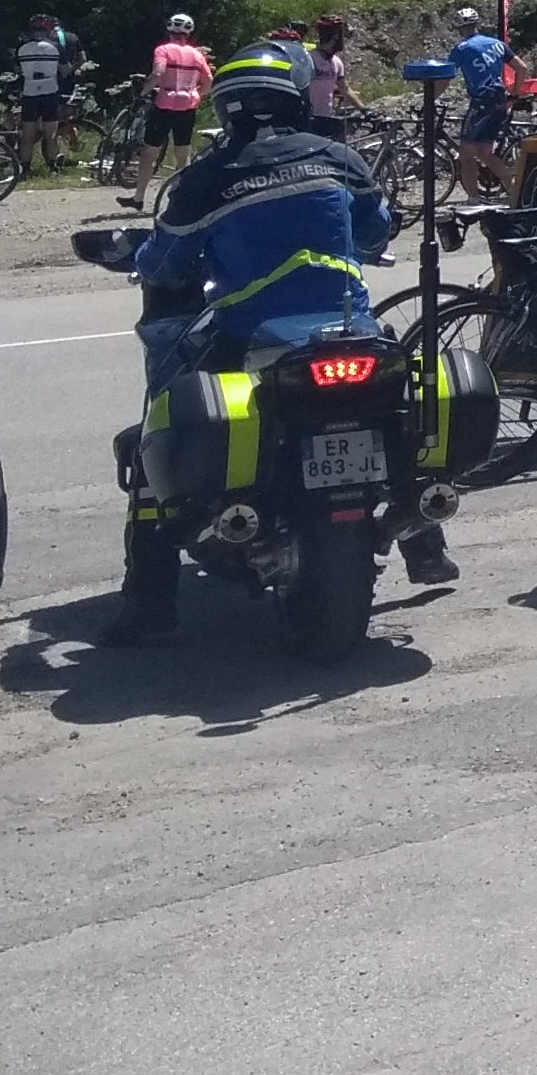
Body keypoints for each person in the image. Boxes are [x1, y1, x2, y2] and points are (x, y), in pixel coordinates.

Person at [113, 45, 447, 639]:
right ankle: (426, 545)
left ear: (227, 107)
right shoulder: (339, 157)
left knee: (154, 433)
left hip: (249, 334)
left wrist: (143, 258)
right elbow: (376, 233)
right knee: (402, 399)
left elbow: (163, 262)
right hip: (351, 329)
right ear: (294, 98)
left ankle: (149, 601)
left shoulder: (207, 177)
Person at [133, 13, 214, 201]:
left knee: (149, 152)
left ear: (169, 29)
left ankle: (139, 197)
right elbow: (209, 81)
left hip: (164, 104)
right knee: (183, 154)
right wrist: (195, 93)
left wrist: (143, 92)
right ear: (189, 33)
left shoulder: (163, 50)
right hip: (188, 106)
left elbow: (158, 73)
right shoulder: (197, 54)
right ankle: (183, 196)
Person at [445, 4, 514, 195]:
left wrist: (431, 98)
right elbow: (521, 67)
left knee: (466, 153)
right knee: (484, 152)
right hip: (500, 99)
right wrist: (514, 95)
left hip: (481, 103)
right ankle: (513, 190)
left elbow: (445, 78)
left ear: (459, 28)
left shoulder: (462, 49)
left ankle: (474, 198)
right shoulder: (497, 44)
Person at [15, 9, 80, 171]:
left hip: (29, 91)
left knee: (27, 133)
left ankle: (25, 167)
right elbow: (65, 70)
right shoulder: (55, 47)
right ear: (48, 29)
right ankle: (52, 166)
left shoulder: (22, 47)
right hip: (50, 91)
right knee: (51, 132)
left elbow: (18, 70)